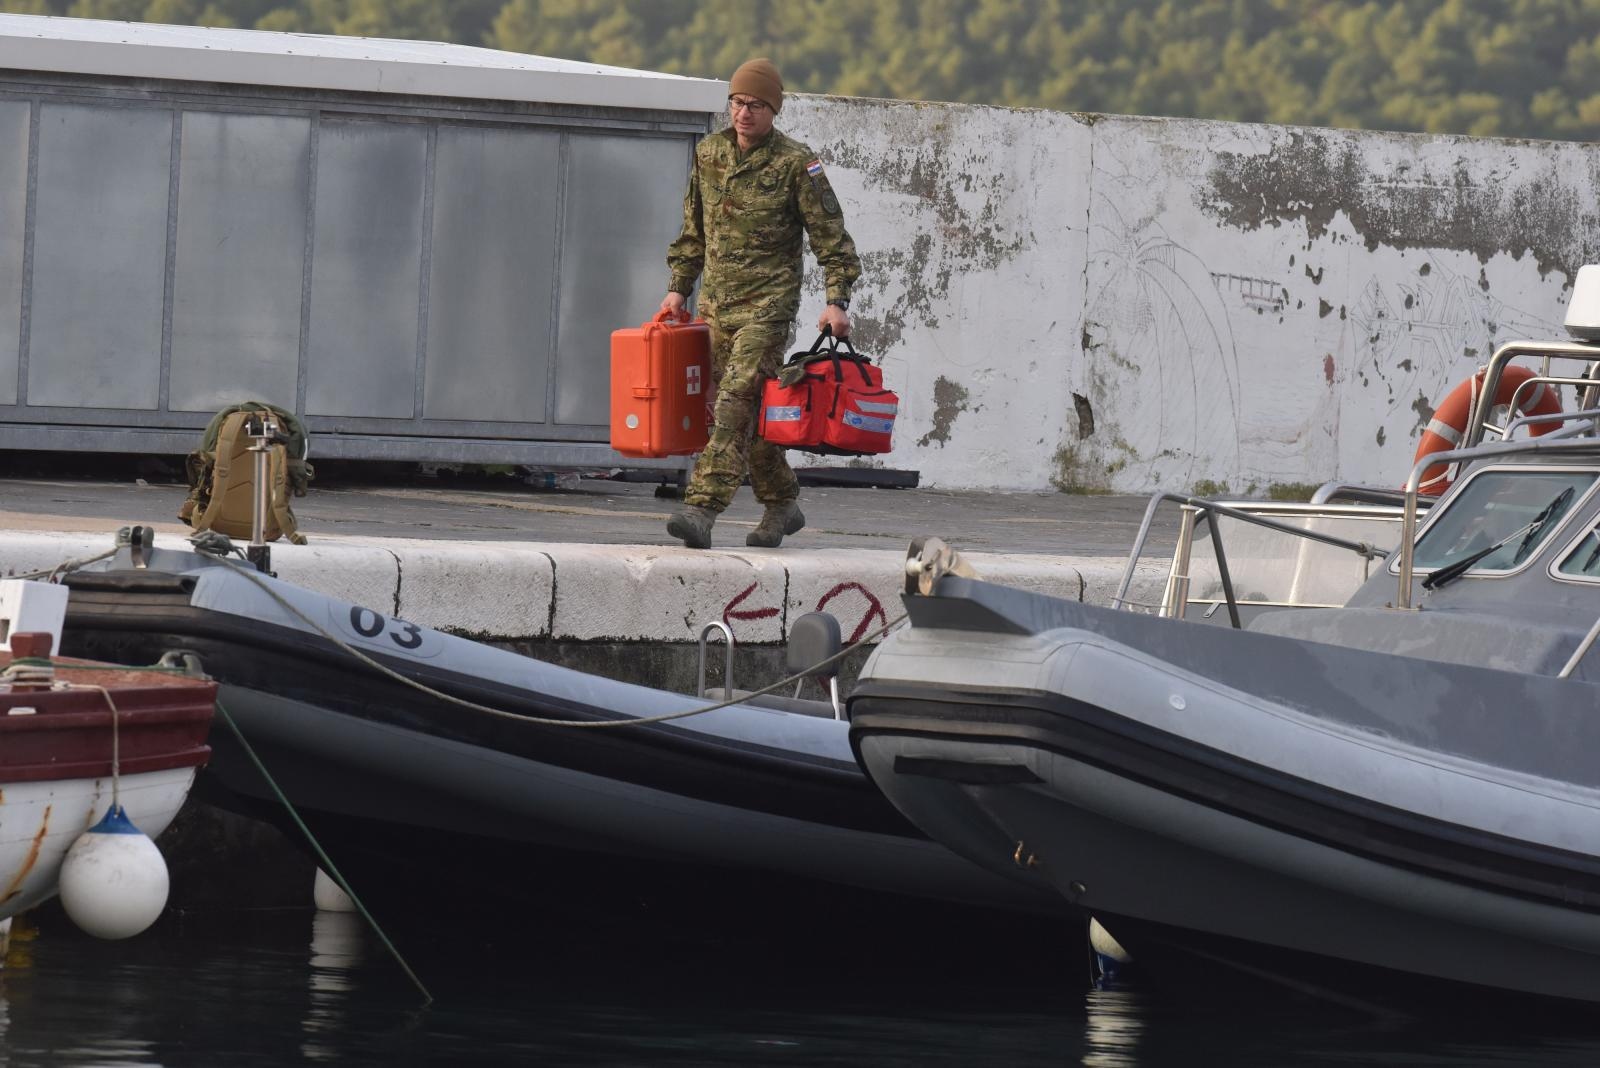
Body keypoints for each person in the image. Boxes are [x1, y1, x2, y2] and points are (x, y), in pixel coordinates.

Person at [660, 57, 862, 549]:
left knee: (734, 402)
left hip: (767, 309)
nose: (744, 112)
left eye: (755, 104)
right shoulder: (709, 153)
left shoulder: (797, 163)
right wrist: (678, 288)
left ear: (774, 110)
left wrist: (837, 300)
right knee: (746, 416)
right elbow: (693, 232)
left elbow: (832, 239)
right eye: (737, 102)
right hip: (716, 309)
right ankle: (782, 502)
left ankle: (701, 509)